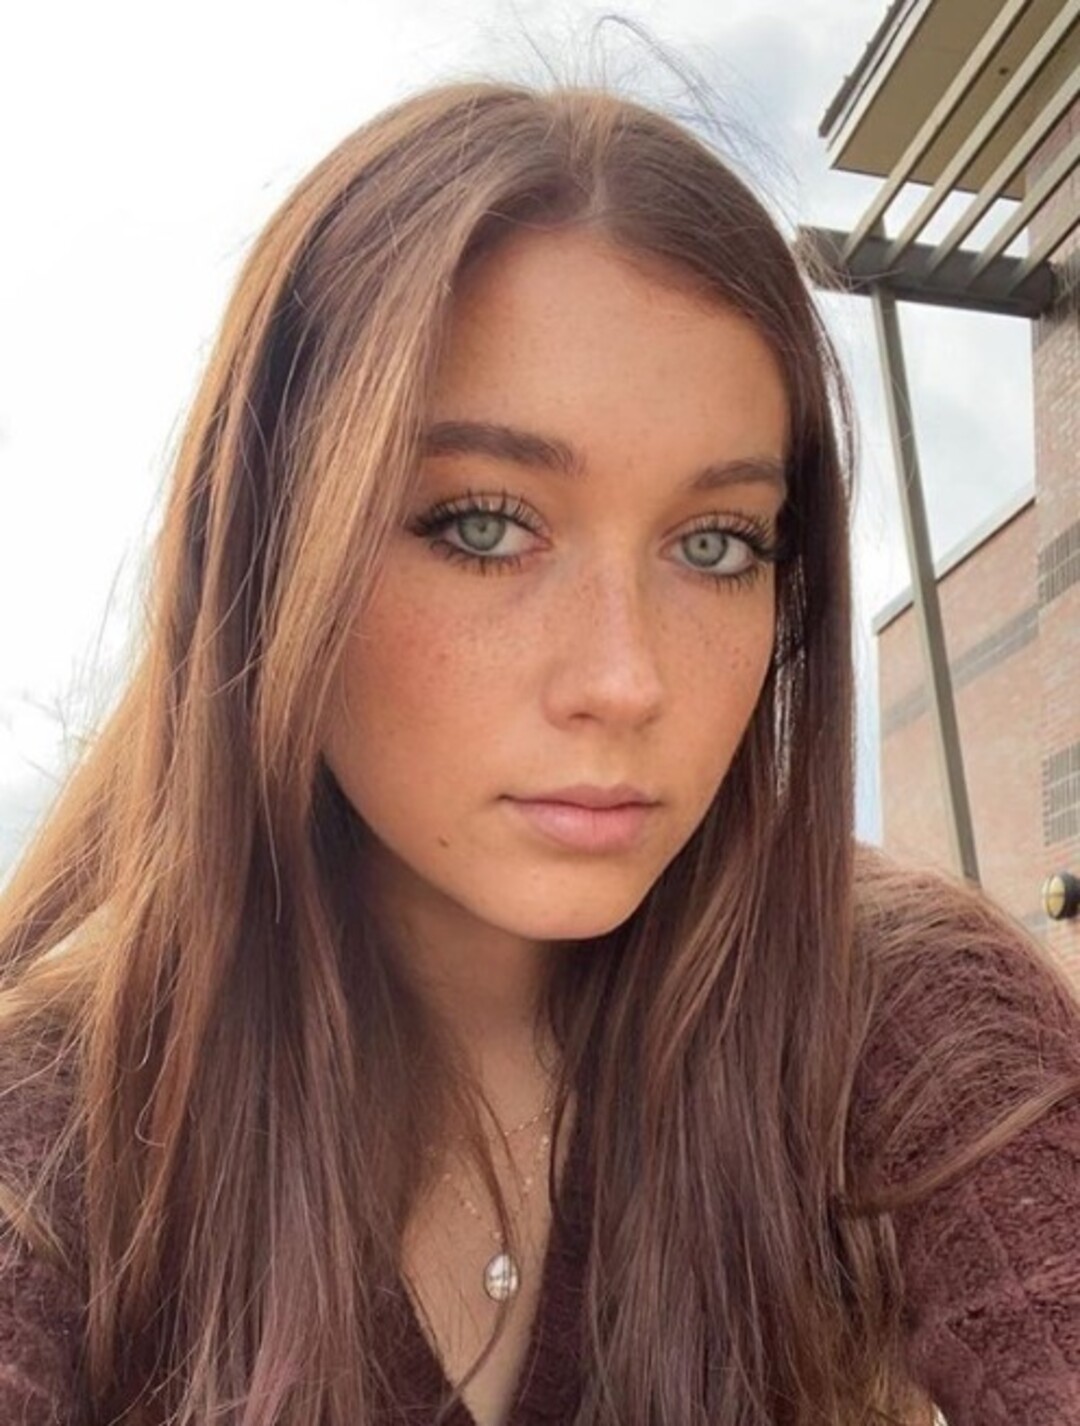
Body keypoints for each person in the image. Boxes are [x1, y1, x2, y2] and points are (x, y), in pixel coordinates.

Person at [1, 78, 1078, 1426]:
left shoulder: (894, 1004)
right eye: (483, 525)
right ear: (268, 557)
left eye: (716, 543)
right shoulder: (63, 1108)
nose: (627, 681)